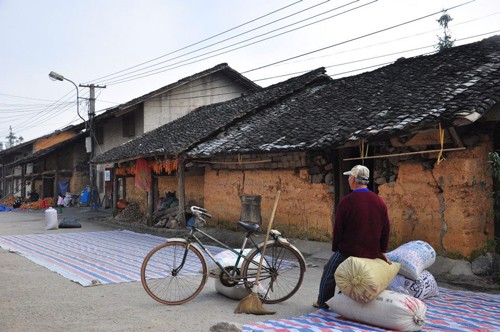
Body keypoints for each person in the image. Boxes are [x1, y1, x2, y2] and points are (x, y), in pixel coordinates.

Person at [314, 165, 391, 309]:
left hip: (348, 250)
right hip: (371, 251)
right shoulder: (379, 201)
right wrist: (382, 250)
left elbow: (338, 228)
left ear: (354, 179)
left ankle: (323, 302)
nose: (348, 179)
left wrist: (336, 247)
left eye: (349, 177)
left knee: (329, 271)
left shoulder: (346, 201)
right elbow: (386, 228)